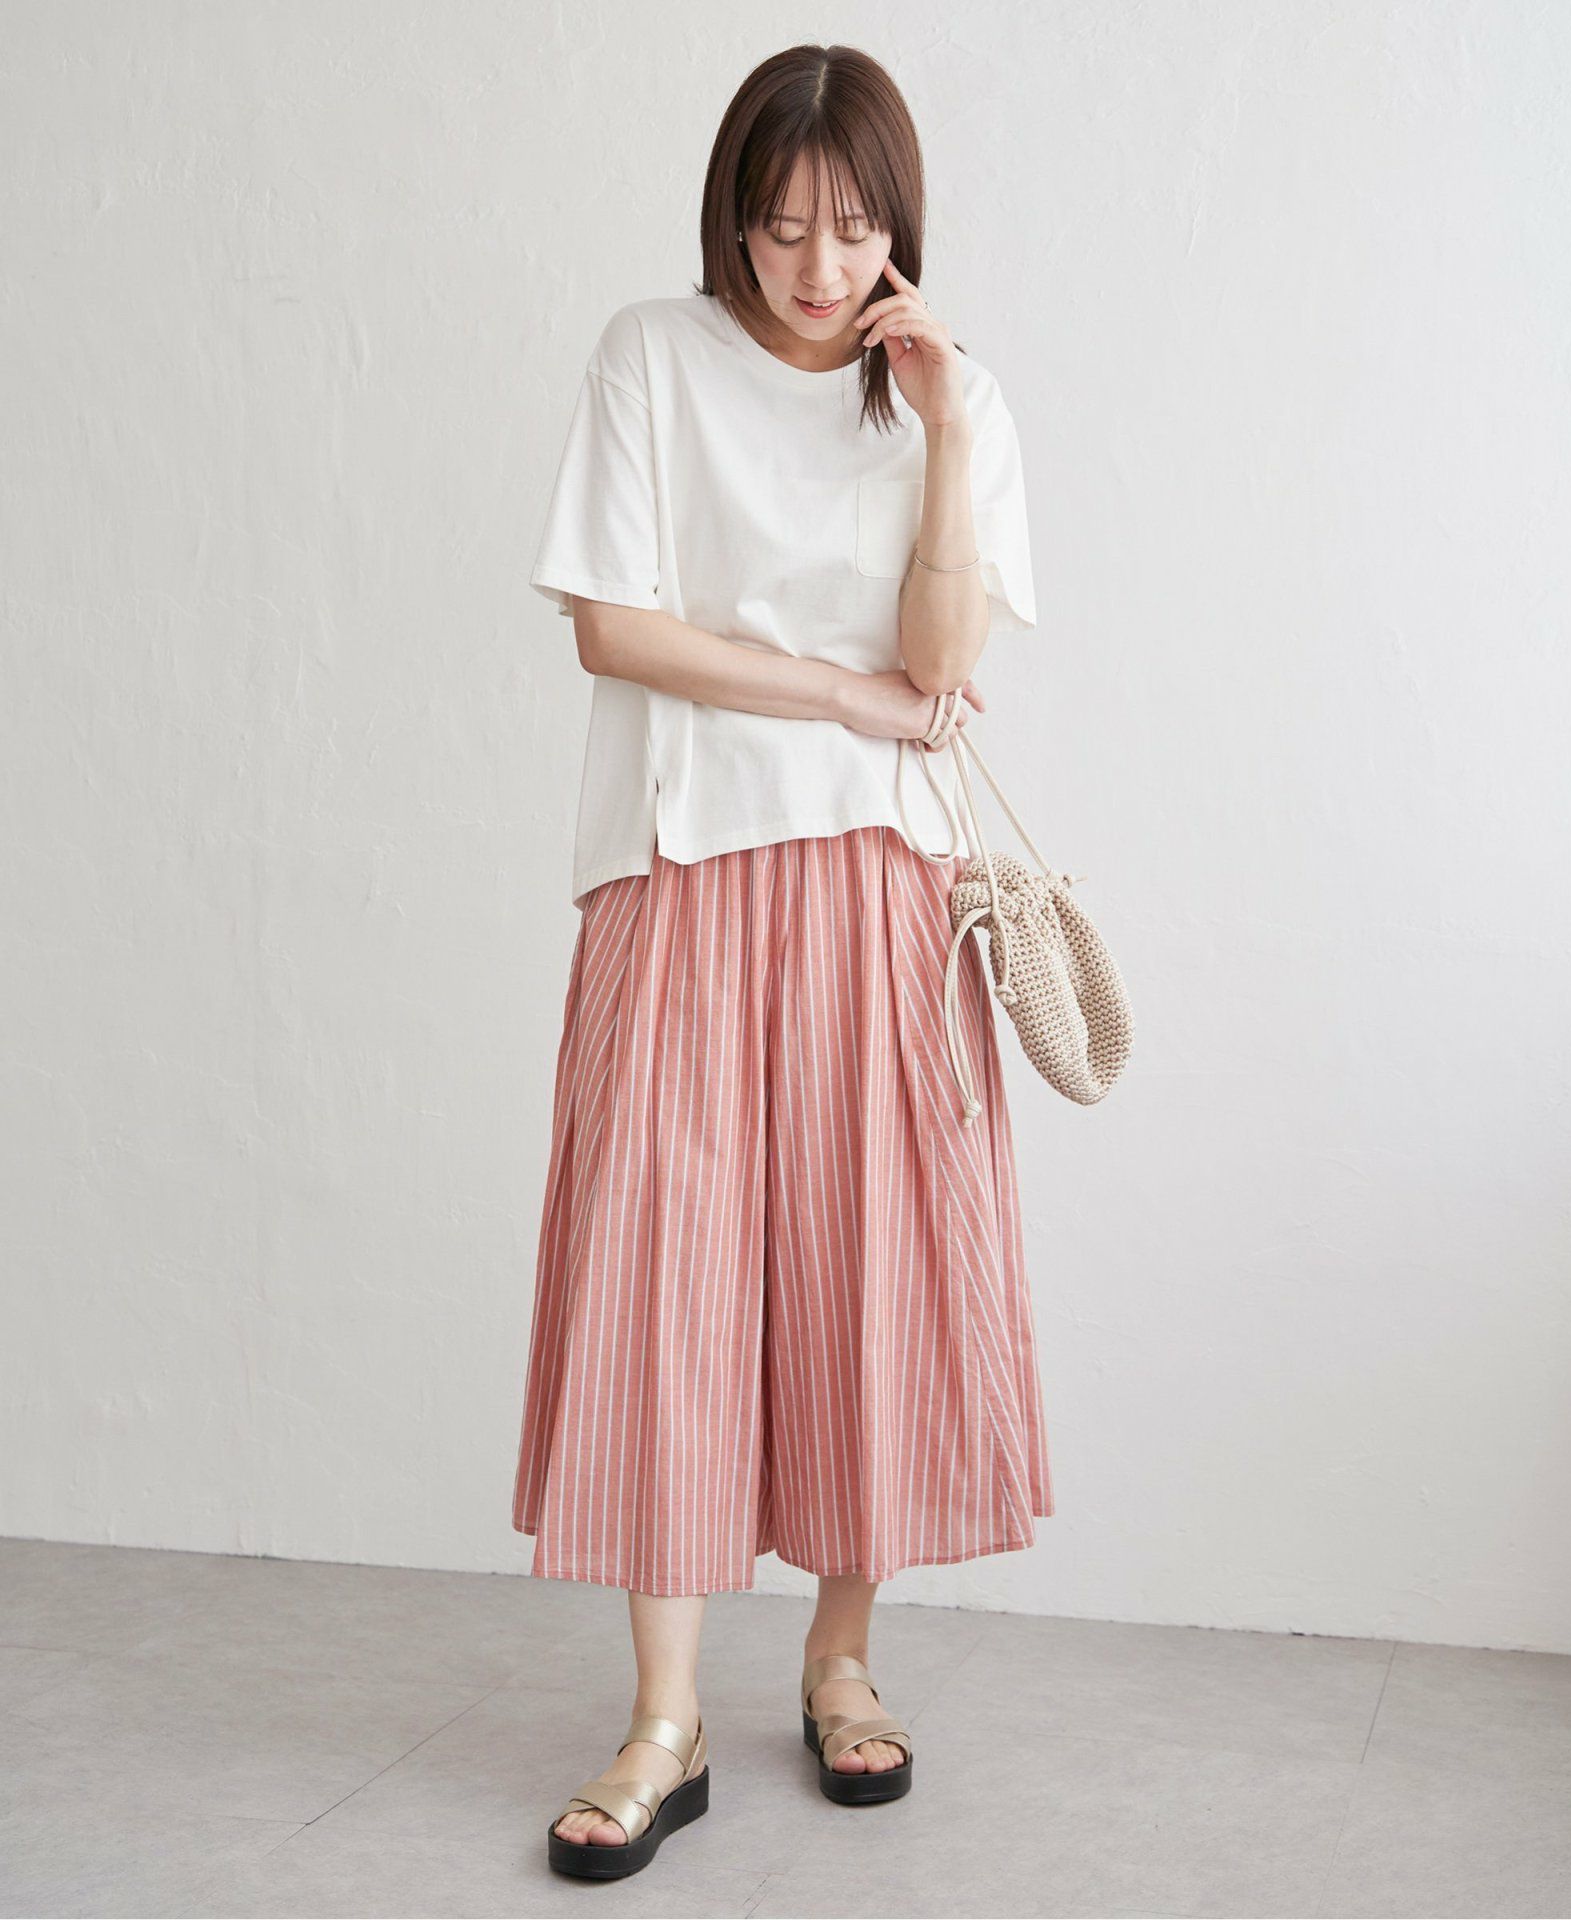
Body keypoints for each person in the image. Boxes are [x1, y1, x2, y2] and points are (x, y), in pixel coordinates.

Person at [514, 42, 1056, 1882]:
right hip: (677, 868)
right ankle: (664, 1723)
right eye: (780, 222)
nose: (817, 265)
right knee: (658, 1274)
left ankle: (841, 1661)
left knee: (866, 1266)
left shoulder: (952, 395)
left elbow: (946, 661)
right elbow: (611, 627)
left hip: (881, 884)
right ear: (731, 219)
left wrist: (950, 431)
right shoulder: (652, 358)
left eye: (852, 226)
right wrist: (834, 693)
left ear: (901, 227)